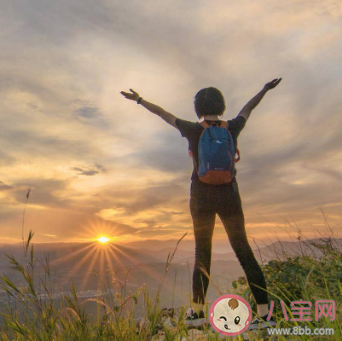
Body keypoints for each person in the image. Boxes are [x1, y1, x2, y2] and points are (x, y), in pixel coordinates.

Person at [120, 79, 282, 329]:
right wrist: (264, 89)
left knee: (202, 255)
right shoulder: (232, 127)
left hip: (201, 198)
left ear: (198, 107)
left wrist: (140, 100)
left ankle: (197, 314)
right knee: (244, 252)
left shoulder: (193, 129)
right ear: (221, 105)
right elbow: (248, 109)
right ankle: (264, 314)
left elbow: (164, 114)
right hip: (230, 195)